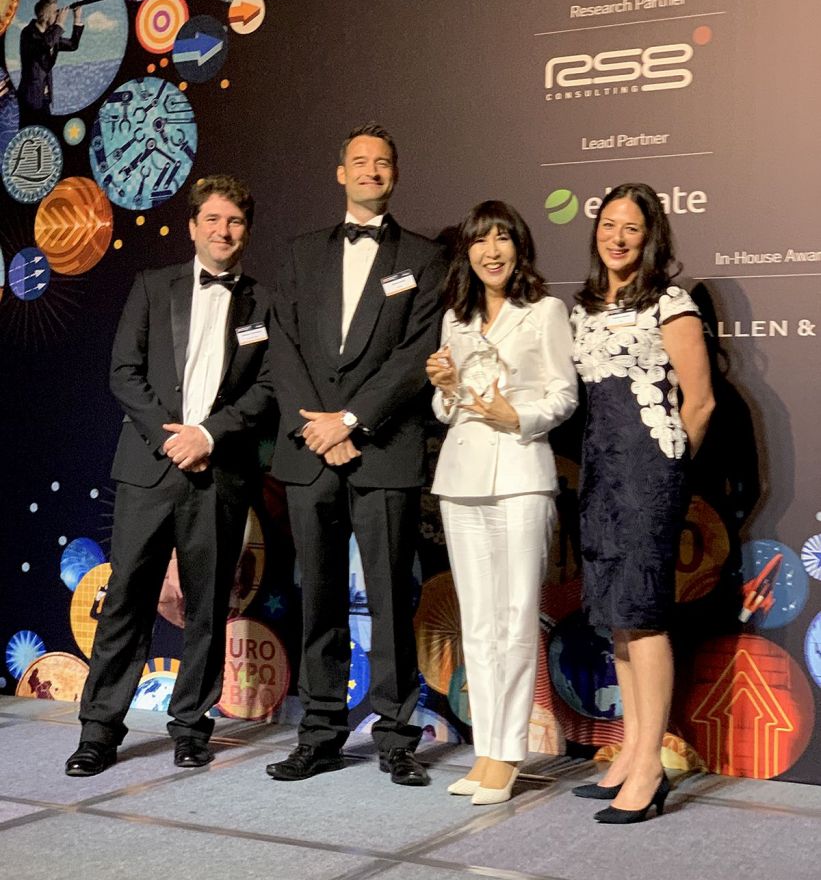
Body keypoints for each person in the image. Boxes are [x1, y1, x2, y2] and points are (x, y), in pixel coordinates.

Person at [65, 175, 274, 776]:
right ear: (192, 227)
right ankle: (99, 730)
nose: (223, 231)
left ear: (246, 231)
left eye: (234, 221)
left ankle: (191, 727)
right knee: (126, 599)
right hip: (149, 469)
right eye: (212, 220)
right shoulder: (153, 287)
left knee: (206, 606)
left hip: (219, 472)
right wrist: (173, 438)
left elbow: (267, 388)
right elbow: (124, 371)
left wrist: (207, 436)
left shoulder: (265, 303)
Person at [266, 122, 447, 786]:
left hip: (383, 449)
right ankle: (319, 733)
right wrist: (318, 428)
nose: (372, 170)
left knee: (392, 598)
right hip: (310, 451)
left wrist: (350, 421)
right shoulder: (299, 253)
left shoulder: (425, 258)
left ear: (395, 174)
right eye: (360, 161)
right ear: (340, 172)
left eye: (383, 162)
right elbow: (281, 345)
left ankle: (397, 737)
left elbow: (417, 355)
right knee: (317, 596)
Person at [570, 183, 714, 823]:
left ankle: (651, 766)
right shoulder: (582, 309)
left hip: (649, 473)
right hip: (600, 473)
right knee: (619, 617)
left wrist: (668, 471)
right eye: (608, 225)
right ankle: (630, 750)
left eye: (631, 227)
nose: (618, 237)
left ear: (650, 236)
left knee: (644, 615)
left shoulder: (670, 303)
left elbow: (700, 401)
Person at [425, 201, 578, 805]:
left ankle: (509, 753)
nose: (491, 251)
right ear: (466, 252)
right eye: (480, 241)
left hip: (520, 473)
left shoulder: (545, 312)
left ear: (519, 247)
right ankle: (485, 750)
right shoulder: (455, 319)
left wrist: (519, 416)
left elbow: (564, 394)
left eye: (502, 239)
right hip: (461, 477)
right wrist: (444, 388)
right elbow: (448, 409)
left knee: (515, 618)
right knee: (478, 621)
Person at [18, 0, 84, 124]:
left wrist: (77, 18)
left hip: (45, 98)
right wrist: (60, 24)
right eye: (55, 12)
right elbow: (45, 44)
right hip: (30, 99)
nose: (58, 15)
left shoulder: (52, 36)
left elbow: (73, 45)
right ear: (46, 15)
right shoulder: (28, 33)